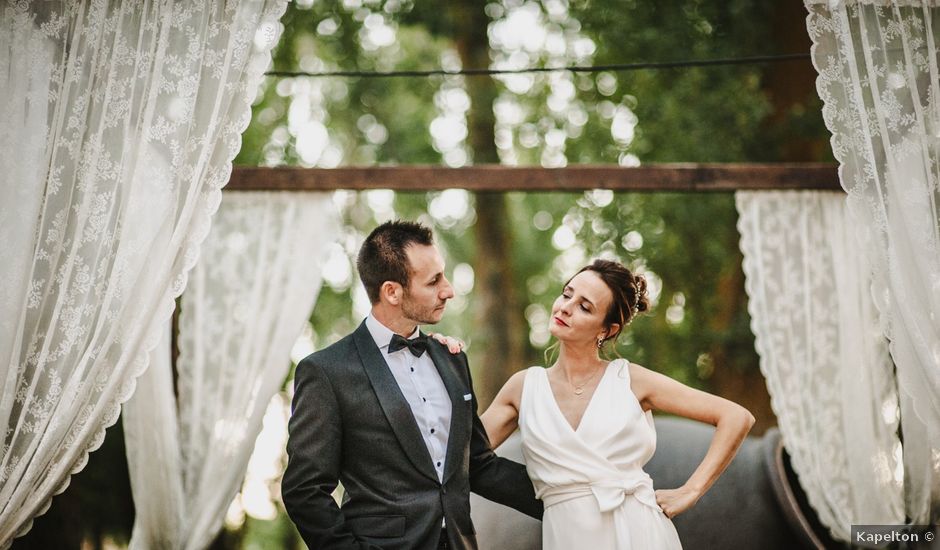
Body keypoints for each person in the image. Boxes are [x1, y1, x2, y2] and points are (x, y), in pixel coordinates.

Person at [281, 220, 542, 550]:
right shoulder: (327, 372)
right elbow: (304, 489)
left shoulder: (453, 359)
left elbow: (477, 464)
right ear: (392, 291)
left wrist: (565, 500)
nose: (448, 289)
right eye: (434, 281)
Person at [479, 259, 756, 549]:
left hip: (639, 530)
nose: (565, 307)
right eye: (567, 294)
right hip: (566, 535)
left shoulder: (631, 380)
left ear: (607, 330)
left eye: (585, 307)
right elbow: (458, 452)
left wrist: (691, 490)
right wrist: (440, 361)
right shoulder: (523, 388)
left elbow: (735, 416)